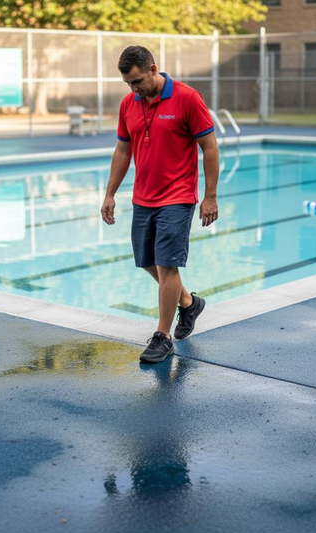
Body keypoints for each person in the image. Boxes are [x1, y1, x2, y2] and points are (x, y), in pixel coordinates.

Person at [100, 46, 219, 364]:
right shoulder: (129, 103)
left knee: (167, 264)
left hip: (177, 197)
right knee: (146, 261)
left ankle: (162, 336)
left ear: (152, 69)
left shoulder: (186, 97)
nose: (133, 88)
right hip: (143, 197)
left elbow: (209, 147)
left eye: (137, 81)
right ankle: (189, 303)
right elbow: (123, 151)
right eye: (128, 83)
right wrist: (110, 193)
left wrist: (210, 196)